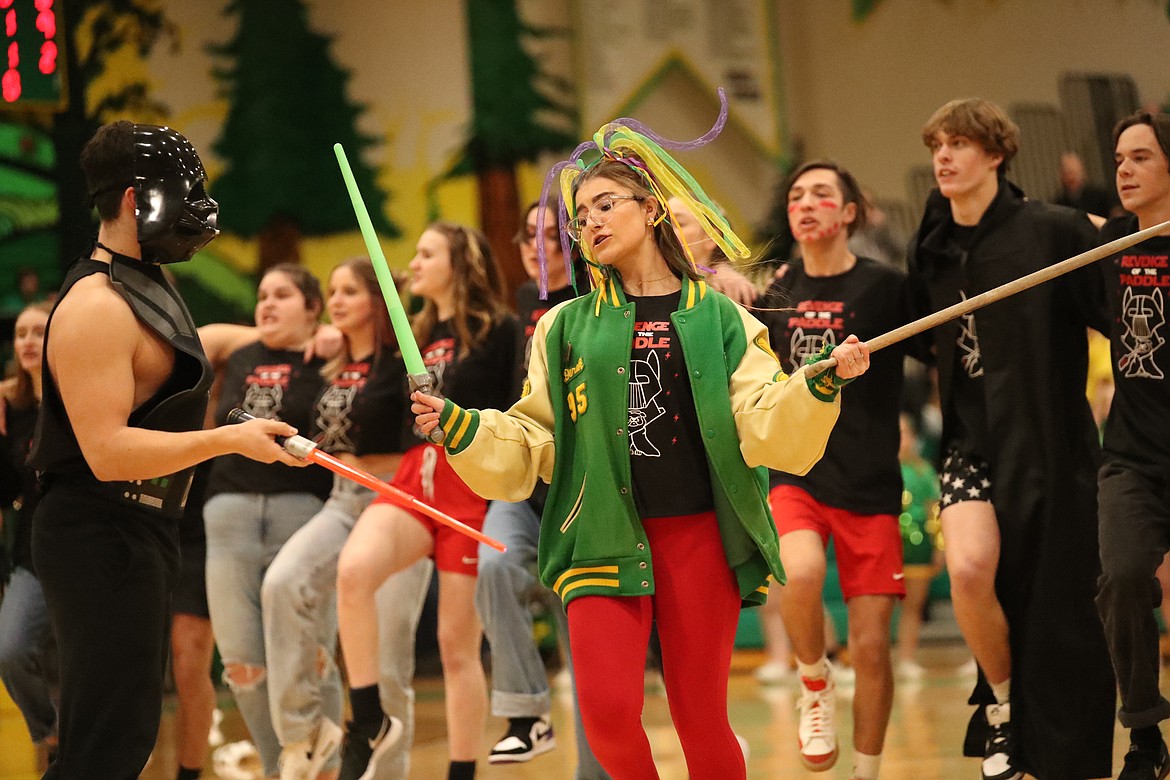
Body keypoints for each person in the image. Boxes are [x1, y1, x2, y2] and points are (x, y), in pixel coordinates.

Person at [410, 107, 870, 780]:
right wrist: (462, 425)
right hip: (598, 533)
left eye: (604, 205)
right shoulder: (563, 327)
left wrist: (819, 383)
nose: (589, 223)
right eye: (581, 215)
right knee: (606, 719)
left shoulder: (720, 317)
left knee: (701, 719)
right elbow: (535, 432)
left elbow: (763, 412)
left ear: (651, 209)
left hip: (698, 538)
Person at [27, 120, 306, 778]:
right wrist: (229, 439)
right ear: (132, 200)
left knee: (126, 735)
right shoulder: (95, 306)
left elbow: (184, 354)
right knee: (104, 743)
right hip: (97, 532)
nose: (197, 204)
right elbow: (105, 451)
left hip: (142, 528)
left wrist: (295, 341)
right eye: (184, 189)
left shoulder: (148, 282)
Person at [907, 98, 1115, 780]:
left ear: (995, 155)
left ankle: (1064, 755)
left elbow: (1116, 311)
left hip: (1051, 448)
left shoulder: (1052, 231)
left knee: (1058, 606)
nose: (944, 156)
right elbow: (907, 330)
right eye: (938, 144)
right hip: (971, 444)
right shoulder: (933, 247)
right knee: (967, 571)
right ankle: (999, 707)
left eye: (960, 144)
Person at [756, 159, 923, 780]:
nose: (806, 204)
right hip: (798, 473)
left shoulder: (885, 288)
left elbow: (931, 356)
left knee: (874, 646)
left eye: (822, 194)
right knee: (796, 573)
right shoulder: (776, 290)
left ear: (850, 213)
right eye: (797, 194)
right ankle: (814, 682)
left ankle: (868, 771)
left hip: (870, 483)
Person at [336, 223, 518, 780]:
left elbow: (514, 412)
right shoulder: (412, 331)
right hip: (417, 475)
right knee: (354, 571)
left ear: (460, 262)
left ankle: (462, 772)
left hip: (472, 482)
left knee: (455, 645)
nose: (413, 263)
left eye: (426, 253)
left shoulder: (500, 329)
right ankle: (368, 717)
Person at [262, 257, 433, 780]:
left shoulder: (404, 363)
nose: (335, 301)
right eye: (331, 290)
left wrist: (368, 466)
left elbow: (422, 445)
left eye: (349, 292)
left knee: (387, 669)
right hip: (341, 503)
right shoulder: (330, 362)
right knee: (282, 583)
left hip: (398, 505)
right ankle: (303, 735)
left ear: (377, 303)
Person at [475, 201, 608, 777]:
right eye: (526, 235)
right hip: (524, 483)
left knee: (586, 651)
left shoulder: (599, 300)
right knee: (494, 566)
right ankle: (526, 712)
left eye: (549, 235)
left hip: (583, 496)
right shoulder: (519, 307)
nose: (536, 245)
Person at [197, 263, 336, 779]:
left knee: (312, 657)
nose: (268, 304)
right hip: (228, 512)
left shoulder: (330, 356)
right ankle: (286, 768)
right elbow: (196, 336)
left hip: (301, 511)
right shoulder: (239, 352)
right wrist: (274, 328)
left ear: (313, 307)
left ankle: (333, 767)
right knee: (242, 666)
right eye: (262, 296)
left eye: (283, 295)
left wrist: (321, 337)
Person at [1094, 110, 1170, 780]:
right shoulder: (1110, 245)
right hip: (1133, 457)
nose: (1124, 169)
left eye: (1141, 157)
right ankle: (1145, 736)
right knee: (1120, 578)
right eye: (1119, 158)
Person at [0, 302, 56, 767]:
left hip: (85, 552)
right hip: (31, 555)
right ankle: (49, 734)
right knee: (11, 649)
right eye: (21, 334)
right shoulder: (8, 407)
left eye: (39, 332)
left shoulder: (79, 397)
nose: (28, 342)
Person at [894, 412, 942, 680]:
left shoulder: (923, 471)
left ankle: (906, 658)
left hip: (918, 549)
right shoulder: (881, 469)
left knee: (912, 606)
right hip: (887, 548)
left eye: (905, 433)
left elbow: (935, 510)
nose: (901, 439)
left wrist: (940, 546)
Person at [666, 195, 757, 305]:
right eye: (663, 222)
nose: (664, 230)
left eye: (679, 223)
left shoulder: (736, 295)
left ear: (711, 238)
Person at [1054, 151, 1115, 219]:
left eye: (1075, 173)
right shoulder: (1058, 205)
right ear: (1061, 176)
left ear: (1083, 172)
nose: (1071, 177)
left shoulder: (1099, 196)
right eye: (1067, 173)